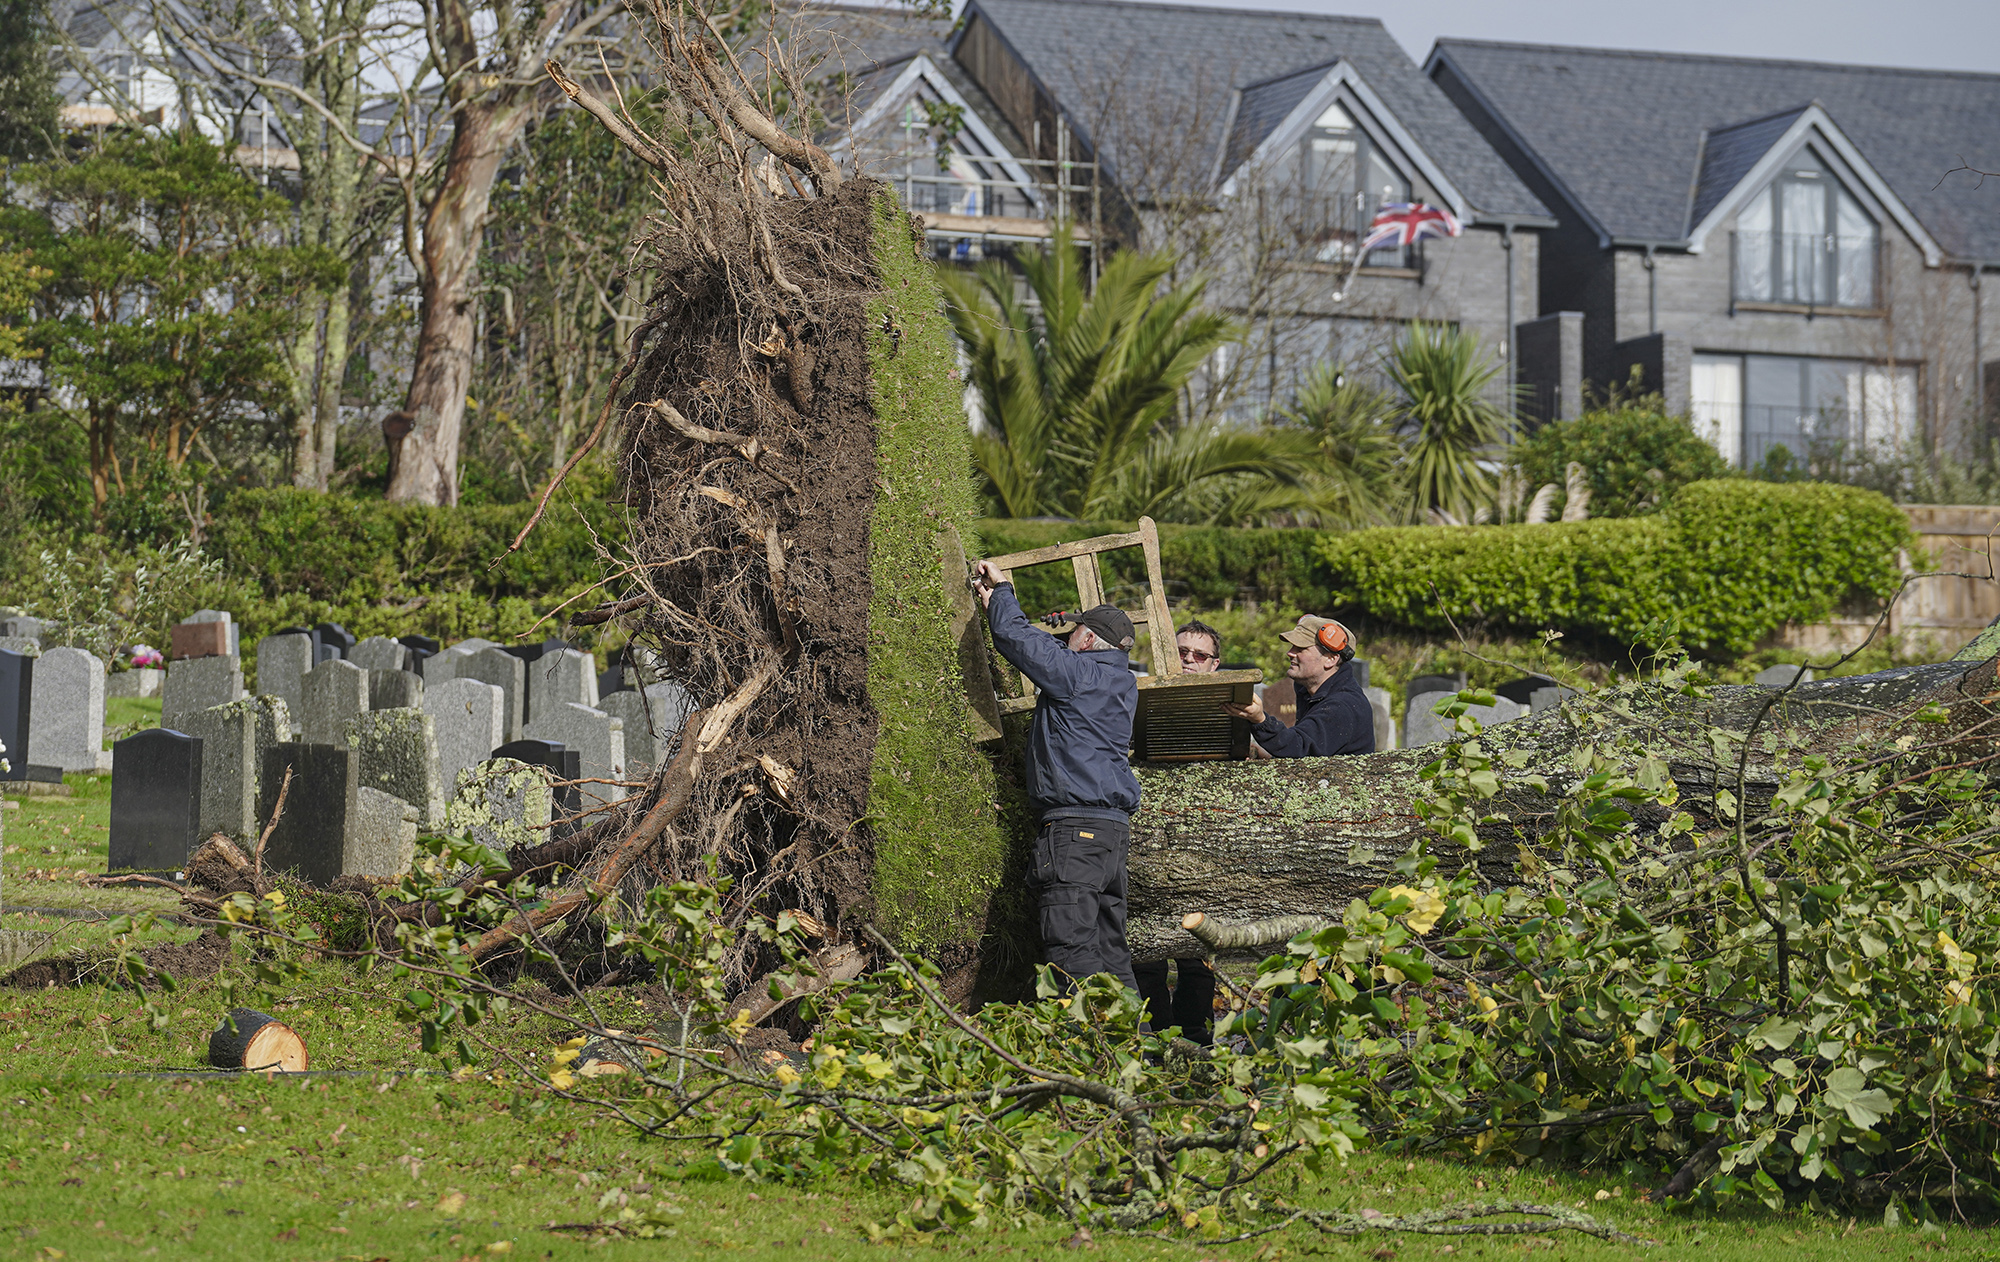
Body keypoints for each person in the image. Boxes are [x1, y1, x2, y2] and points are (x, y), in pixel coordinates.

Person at [972, 560, 1143, 998]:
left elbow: (1017, 638)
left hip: (1076, 832)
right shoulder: (1121, 682)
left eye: (1073, 633)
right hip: (1111, 833)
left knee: (1070, 948)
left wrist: (1002, 592)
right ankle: (1136, 1055)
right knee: (1111, 951)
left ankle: (1085, 1052)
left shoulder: (1079, 675)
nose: (1065, 638)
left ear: (1087, 639)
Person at [1131, 619, 1225, 1043]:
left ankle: (1195, 1040)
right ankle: (1159, 1041)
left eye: (1199, 655)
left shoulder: (1226, 706)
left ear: (1214, 665)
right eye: (1181, 651)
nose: (1188, 659)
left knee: (1197, 956)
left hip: (1204, 846)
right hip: (1148, 840)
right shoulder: (1136, 697)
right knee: (1146, 952)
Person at [1221, 615, 1374, 757]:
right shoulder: (1313, 691)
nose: (1290, 653)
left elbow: (1300, 746)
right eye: (1292, 646)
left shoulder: (1342, 706)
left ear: (1330, 659)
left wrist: (1260, 720)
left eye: (1300, 648)